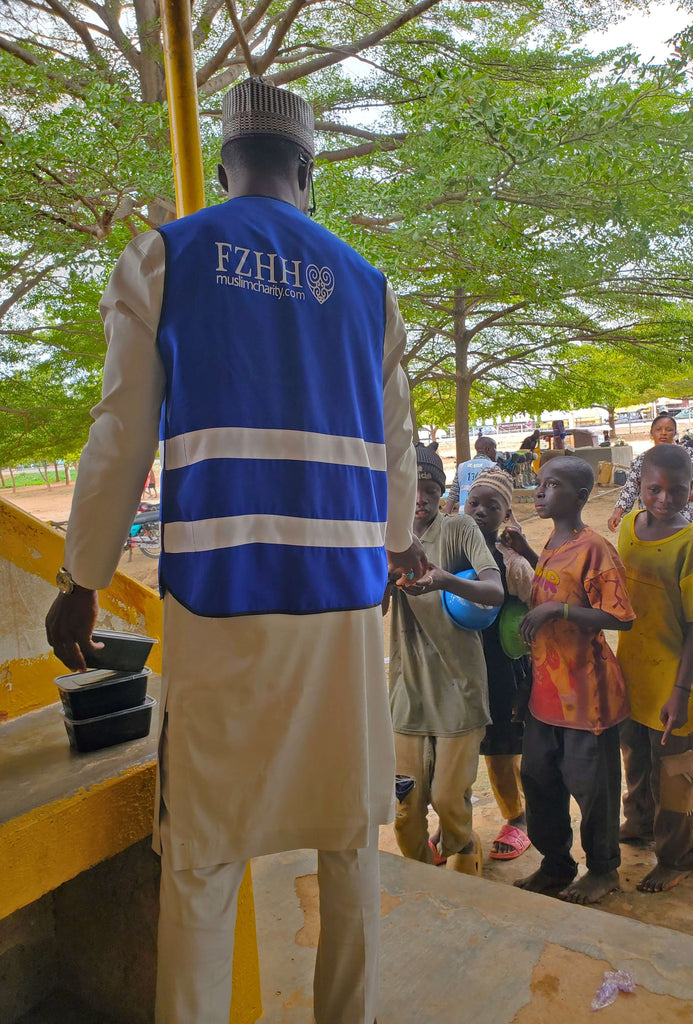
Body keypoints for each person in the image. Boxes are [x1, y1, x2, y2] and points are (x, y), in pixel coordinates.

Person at [44, 77, 425, 1024]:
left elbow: (120, 432)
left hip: (218, 608)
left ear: (223, 166)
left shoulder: (166, 257)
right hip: (339, 609)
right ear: (309, 170)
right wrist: (380, 559)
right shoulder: (368, 287)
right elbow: (399, 457)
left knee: (203, 860)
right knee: (348, 846)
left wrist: (81, 577)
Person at [506, 456, 635, 904]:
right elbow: (553, 583)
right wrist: (525, 551)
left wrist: (556, 611)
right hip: (545, 696)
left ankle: (604, 870)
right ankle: (555, 865)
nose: (540, 492)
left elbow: (620, 617)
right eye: (539, 484)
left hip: (587, 698)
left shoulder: (595, 548)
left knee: (592, 789)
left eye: (552, 485)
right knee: (540, 782)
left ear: (581, 497)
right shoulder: (552, 542)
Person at [387, 444, 503, 876]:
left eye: (431, 487)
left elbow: (494, 592)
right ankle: (421, 877)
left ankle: (462, 848)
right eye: (411, 487)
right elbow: (375, 608)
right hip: (407, 689)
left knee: (450, 797)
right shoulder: (386, 537)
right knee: (405, 804)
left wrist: (443, 580)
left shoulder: (458, 529)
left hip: (460, 685)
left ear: (442, 492)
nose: (420, 497)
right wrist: (385, 573)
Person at [616, 444, 693, 894]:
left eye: (675, 491)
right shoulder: (627, 527)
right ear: (638, 487)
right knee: (636, 759)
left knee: (675, 772)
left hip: (675, 682)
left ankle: (679, 855)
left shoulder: (691, 542)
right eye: (653, 489)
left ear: (692, 492)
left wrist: (680, 690)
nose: (663, 499)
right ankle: (639, 823)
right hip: (633, 673)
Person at [464, 466, 533, 860]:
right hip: (459, 665)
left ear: (506, 515)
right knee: (458, 745)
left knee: (502, 749)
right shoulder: (452, 549)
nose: (480, 511)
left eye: (493, 506)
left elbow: (535, 612)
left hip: (502, 669)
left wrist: (530, 679)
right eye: (474, 502)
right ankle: (454, 821)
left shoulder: (513, 564)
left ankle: (518, 816)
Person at [607, 413, 693, 533]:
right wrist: (617, 513)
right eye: (658, 429)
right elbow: (630, 489)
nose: (663, 433)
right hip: (651, 523)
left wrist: (685, 496)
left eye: (669, 430)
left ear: (675, 433)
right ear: (652, 433)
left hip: (683, 521)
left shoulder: (689, 455)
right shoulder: (642, 460)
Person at [444, 434, 497, 513]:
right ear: (488, 449)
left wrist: (446, 518)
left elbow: (452, 496)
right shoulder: (492, 467)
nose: (496, 452)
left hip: (464, 516)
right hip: (483, 517)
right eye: (495, 449)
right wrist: (513, 521)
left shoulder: (462, 467)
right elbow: (501, 495)